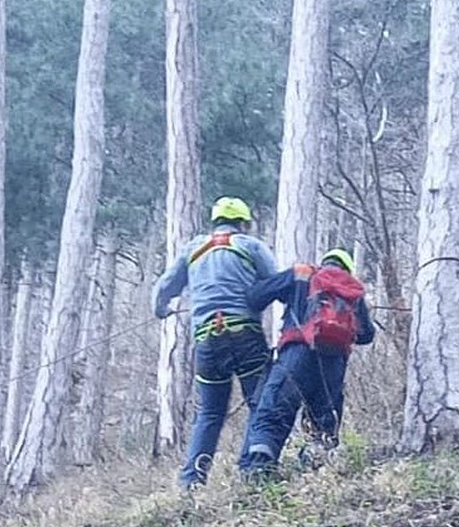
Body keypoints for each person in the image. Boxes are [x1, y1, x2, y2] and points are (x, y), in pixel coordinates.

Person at [153, 196, 278, 490]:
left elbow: (163, 288)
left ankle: (191, 481)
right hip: (245, 334)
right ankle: (251, 472)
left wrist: (161, 311)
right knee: (259, 404)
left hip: (207, 339)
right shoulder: (251, 246)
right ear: (244, 223)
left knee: (209, 413)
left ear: (215, 221)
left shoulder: (193, 249)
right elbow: (275, 283)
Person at [237, 248, 376, 478]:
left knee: (273, 413)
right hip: (334, 362)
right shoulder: (353, 290)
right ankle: (310, 476)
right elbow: (367, 335)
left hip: (296, 353)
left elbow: (256, 296)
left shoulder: (302, 273)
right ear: (347, 267)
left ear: (324, 262)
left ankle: (258, 472)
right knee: (323, 424)